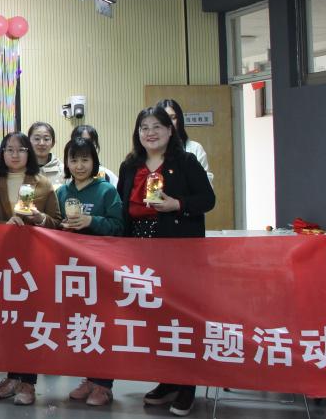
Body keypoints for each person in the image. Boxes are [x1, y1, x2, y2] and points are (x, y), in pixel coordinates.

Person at [118, 106, 214, 417]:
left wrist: (177, 204)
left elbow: (208, 199)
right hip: (140, 252)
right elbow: (122, 206)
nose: (150, 133)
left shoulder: (185, 162)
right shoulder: (130, 165)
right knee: (155, 319)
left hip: (178, 251)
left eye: (157, 126)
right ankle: (168, 379)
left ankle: (187, 385)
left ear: (170, 130)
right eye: (144, 127)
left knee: (181, 319)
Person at [0, 132, 61, 406]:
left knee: (32, 321)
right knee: (9, 320)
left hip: (34, 262)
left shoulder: (43, 183)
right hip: (4, 262)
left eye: (21, 149)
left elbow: (57, 222)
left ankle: (28, 381)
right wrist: (3, 225)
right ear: (2, 153)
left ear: (29, 153)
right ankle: (12, 375)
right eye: (9, 149)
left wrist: (40, 218)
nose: (15, 154)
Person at [55, 136, 123, 406]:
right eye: (74, 160)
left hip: (101, 269)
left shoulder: (106, 191)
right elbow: (53, 226)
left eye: (85, 159)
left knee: (103, 325)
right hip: (71, 270)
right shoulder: (62, 192)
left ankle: (104, 385)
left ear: (94, 161)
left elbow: (119, 226)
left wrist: (91, 221)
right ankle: (89, 378)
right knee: (82, 326)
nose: (79, 165)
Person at [158, 99, 213, 184]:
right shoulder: (151, 150)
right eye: (165, 118)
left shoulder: (195, 148)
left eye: (173, 118)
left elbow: (207, 184)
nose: (169, 123)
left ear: (179, 120)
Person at [29, 121, 64, 186]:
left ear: (53, 143)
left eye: (46, 139)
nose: (41, 143)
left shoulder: (62, 170)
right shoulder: (21, 168)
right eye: (37, 139)